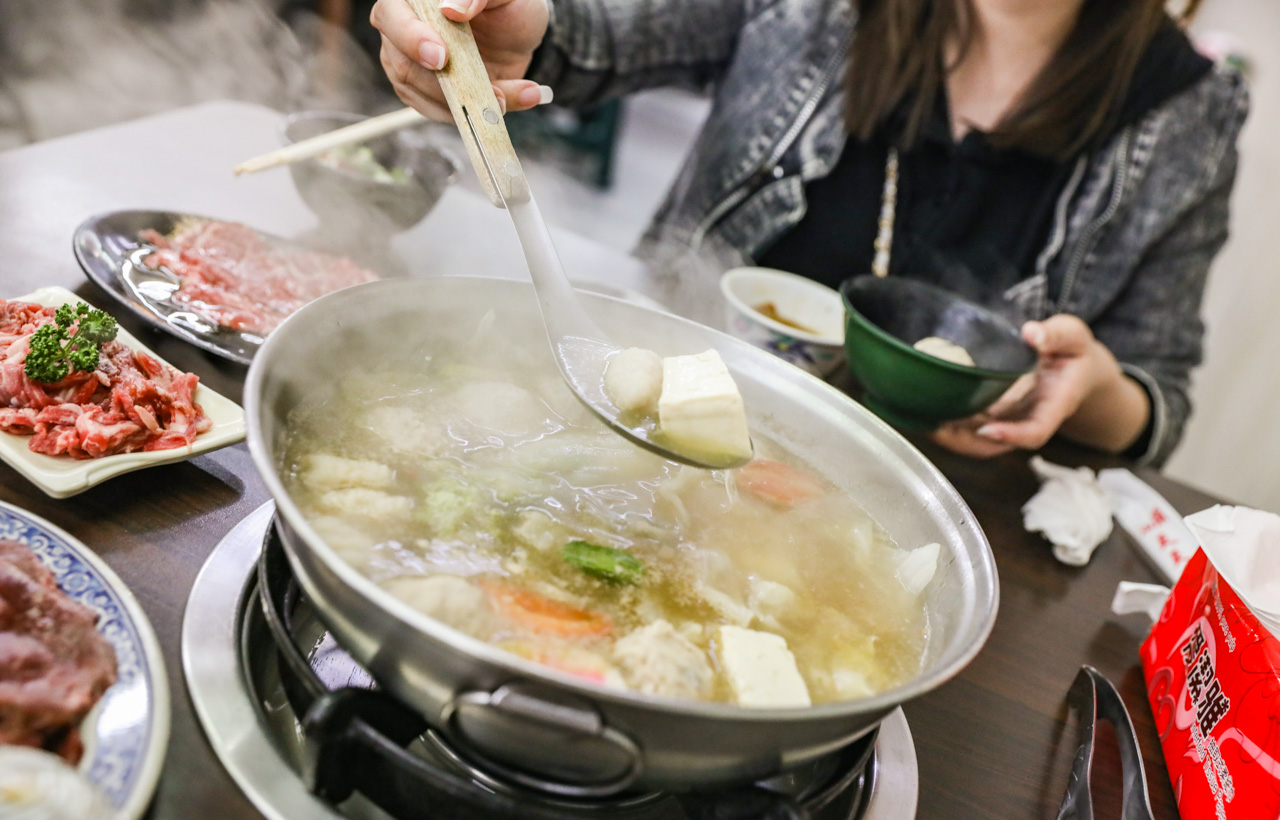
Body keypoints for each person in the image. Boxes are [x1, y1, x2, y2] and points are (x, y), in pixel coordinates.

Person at [369, 0, 1247, 468]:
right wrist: (507, 33)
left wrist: (1090, 388)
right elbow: (595, 34)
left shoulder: (1189, 115)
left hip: (947, 501)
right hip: (646, 424)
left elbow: (1155, 400)